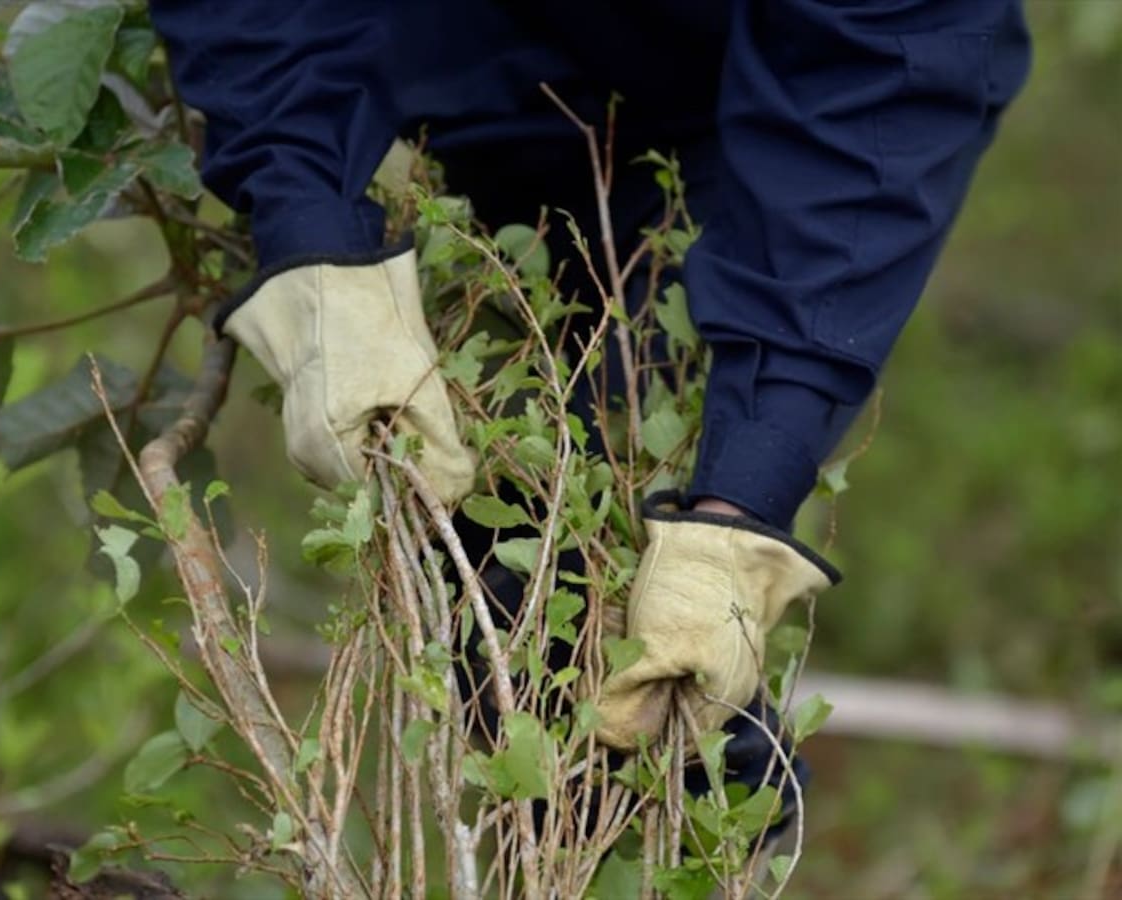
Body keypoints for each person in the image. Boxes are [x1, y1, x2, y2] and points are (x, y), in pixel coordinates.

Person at [149, 0, 1029, 788]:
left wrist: (736, 508)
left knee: (658, 660)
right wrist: (309, 228)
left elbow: (881, 75)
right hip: (436, 68)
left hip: (750, 93)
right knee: (503, 615)